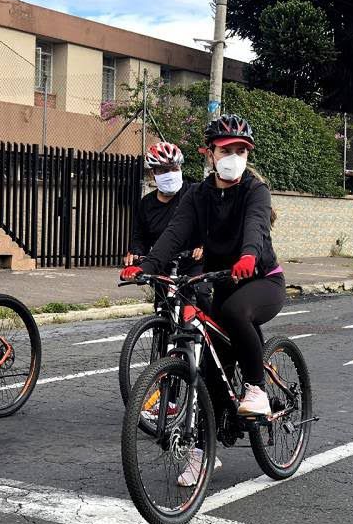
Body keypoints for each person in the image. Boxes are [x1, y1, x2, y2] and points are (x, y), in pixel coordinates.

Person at [120, 114, 286, 486]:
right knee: (208, 366)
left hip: (262, 280)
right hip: (220, 278)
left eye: (241, 150)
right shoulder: (197, 195)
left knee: (233, 311)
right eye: (227, 150)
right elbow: (175, 233)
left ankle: (257, 389)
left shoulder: (253, 191)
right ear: (208, 154)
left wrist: (248, 256)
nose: (234, 156)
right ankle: (201, 454)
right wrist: (146, 265)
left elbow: (256, 227)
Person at [125, 142, 207, 309]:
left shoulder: (193, 194)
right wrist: (136, 254)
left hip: (194, 262)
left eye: (174, 169)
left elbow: (213, 222)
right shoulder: (146, 204)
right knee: (163, 307)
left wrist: (204, 245)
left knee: (200, 296)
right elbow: (139, 236)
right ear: (153, 173)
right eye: (163, 170)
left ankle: (213, 333)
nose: (170, 174)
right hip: (163, 264)